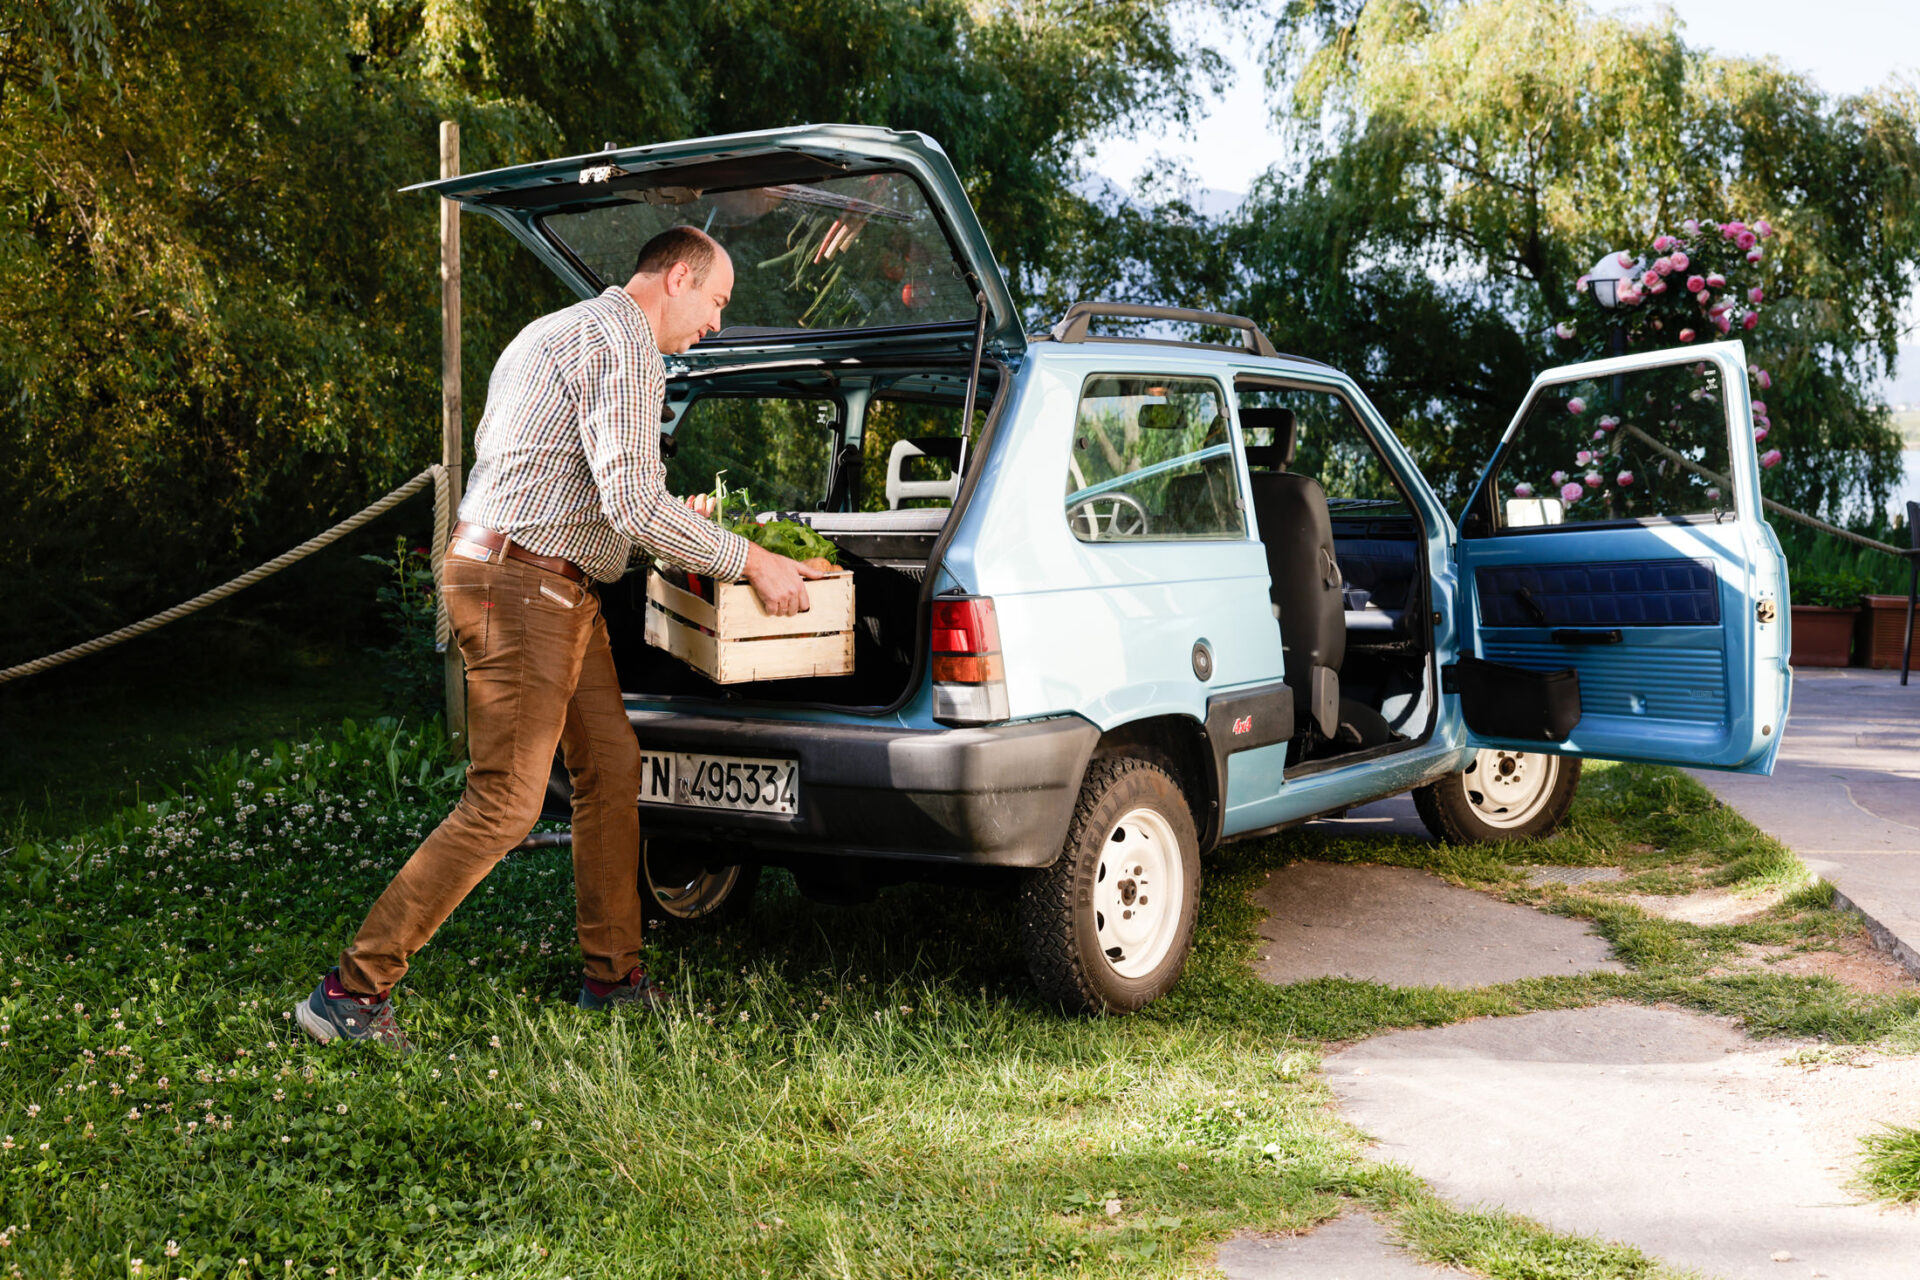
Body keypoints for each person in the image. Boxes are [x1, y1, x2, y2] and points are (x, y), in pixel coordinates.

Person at [295, 226, 823, 1051]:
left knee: (611, 767)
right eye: (717, 302)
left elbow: (594, 489)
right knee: (505, 802)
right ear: (678, 277)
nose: (717, 323)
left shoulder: (559, 329)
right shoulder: (627, 348)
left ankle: (614, 978)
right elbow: (631, 507)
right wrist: (752, 560)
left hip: (541, 578)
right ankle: (349, 994)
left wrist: (671, 520)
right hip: (526, 586)